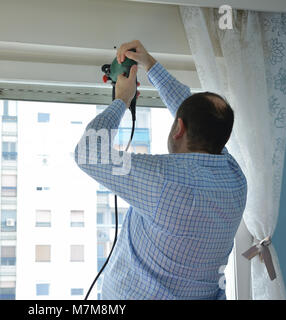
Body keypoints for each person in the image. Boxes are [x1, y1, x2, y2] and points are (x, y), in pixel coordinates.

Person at [74, 40, 247, 299]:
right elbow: (198, 114)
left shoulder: (163, 180)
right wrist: (150, 64)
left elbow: (87, 153)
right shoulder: (236, 179)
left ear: (178, 128)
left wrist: (122, 99)